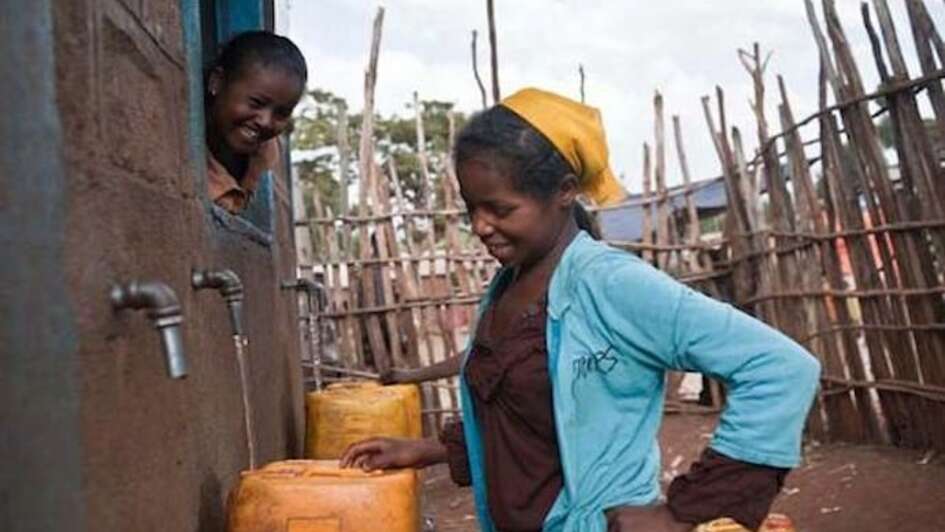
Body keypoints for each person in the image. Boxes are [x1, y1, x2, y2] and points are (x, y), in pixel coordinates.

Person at [341, 88, 820, 532]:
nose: (481, 227)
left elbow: (781, 368)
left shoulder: (611, 284)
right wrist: (424, 451)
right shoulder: (509, 285)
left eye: (500, 209)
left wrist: (682, 511)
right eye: (472, 209)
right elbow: (527, 420)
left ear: (564, 191)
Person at [204, 30, 307, 214]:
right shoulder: (184, 140)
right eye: (256, 103)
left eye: (281, 113)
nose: (266, 122)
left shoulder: (266, 154)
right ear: (216, 82)